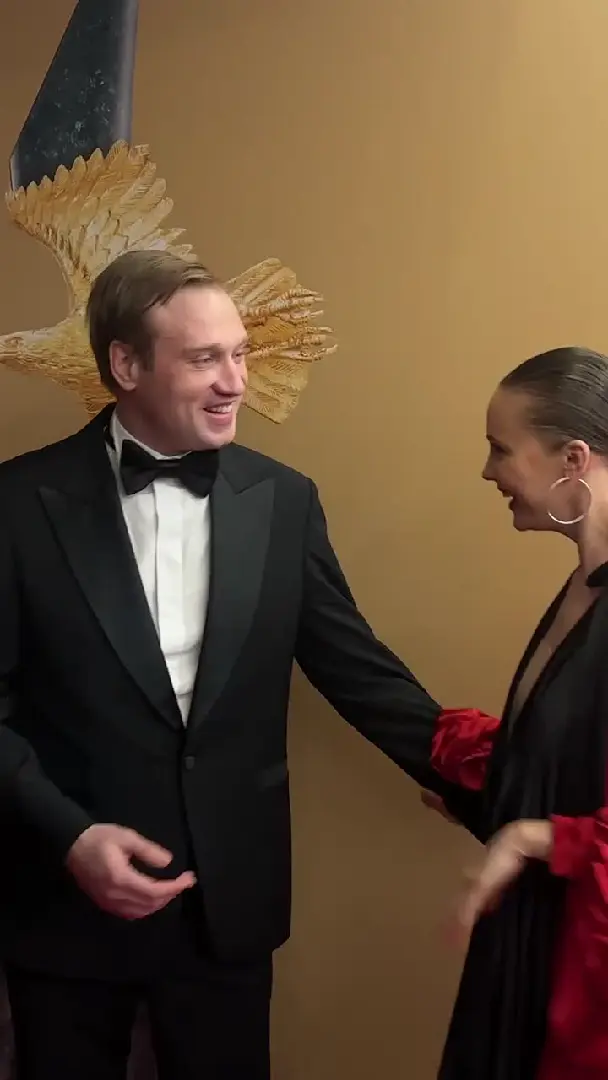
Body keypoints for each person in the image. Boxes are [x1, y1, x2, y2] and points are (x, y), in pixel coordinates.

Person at [0, 249, 478, 1080]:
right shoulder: (13, 504)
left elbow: (359, 671)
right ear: (126, 365)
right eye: (204, 359)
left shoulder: (284, 500)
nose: (236, 383)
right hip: (60, 901)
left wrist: (504, 787)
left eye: (240, 354)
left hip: (227, 907)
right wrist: (69, 835)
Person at [428, 346, 608, 1080]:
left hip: (581, 975)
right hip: (532, 936)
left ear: (573, 459)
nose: (487, 471)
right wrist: (478, 775)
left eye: (501, 449)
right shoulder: (584, 585)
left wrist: (538, 835)